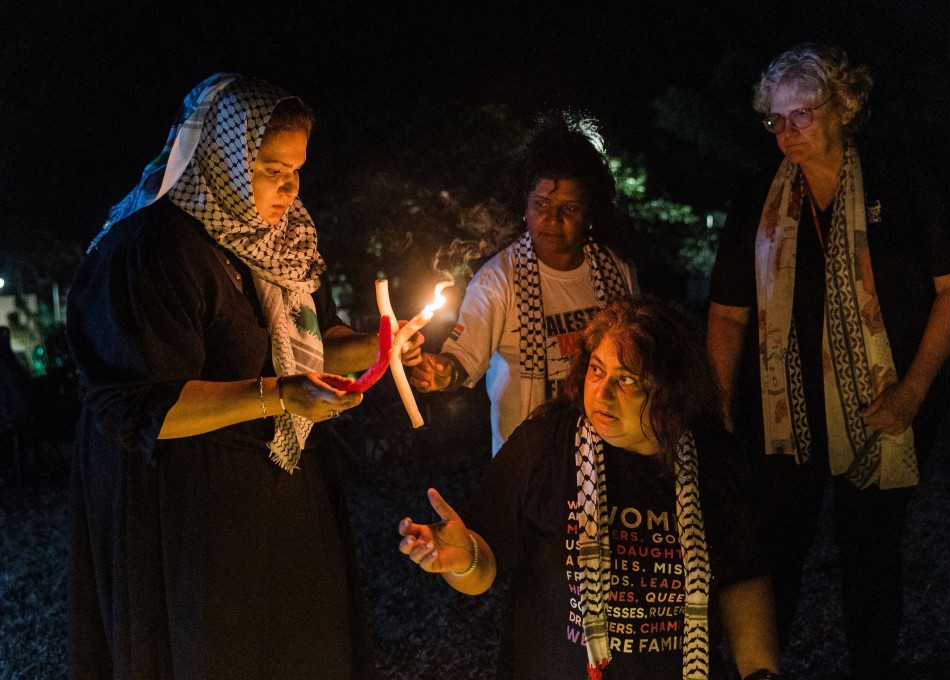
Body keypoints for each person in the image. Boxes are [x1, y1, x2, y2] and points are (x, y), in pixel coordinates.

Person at [66, 73, 422, 679]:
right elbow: (143, 405)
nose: (288, 188)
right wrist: (279, 395)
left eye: (296, 170)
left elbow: (310, 343)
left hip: (270, 485)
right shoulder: (151, 248)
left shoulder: (283, 240)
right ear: (220, 156)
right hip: (181, 507)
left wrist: (381, 347)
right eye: (269, 169)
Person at [706, 44, 950, 677]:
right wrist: (720, 403)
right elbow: (727, 312)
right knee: (774, 552)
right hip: (780, 416)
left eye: (802, 114)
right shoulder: (758, 198)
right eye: (775, 120)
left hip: (886, 404)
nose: (787, 132)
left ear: (844, 106)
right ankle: (762, 670)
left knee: (873, 554)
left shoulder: (901, 177)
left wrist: (911, 393)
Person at [398, 297, 781, 680]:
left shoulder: (713, 458)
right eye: (597, 371)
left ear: (670, 390)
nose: (602, 393)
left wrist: (761, 674)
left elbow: (743, 577)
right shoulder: (545, 446)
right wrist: (463, 560)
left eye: (626, 379)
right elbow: (483, 564)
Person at [411, 113, 639, 455]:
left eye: (569, 208)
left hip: (609, 457)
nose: (552, 219)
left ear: (590, 214)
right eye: (542, 204)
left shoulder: (617, 271)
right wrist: (443, 373)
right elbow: (461, 359)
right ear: (525, 206)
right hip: (530, 463)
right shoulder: (499, 280)